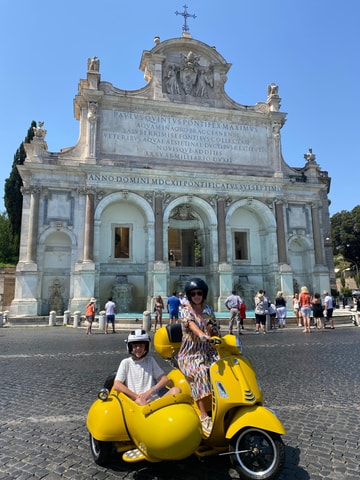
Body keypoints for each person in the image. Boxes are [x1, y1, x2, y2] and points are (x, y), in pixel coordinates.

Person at [177, 278, 220, 436]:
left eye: (199, 293)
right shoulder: (184, 310)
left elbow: (210, 324)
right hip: (190, 354)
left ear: (204, 294)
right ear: (189, 295)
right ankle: (203, 416)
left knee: (226, 369)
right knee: (201, 372)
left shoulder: (208, 309)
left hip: (208, 351)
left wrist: (213, 331)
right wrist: (201, 334)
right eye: (193, 293)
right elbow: (190, 324)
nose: (196, 296)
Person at [113, 329, 181, 405]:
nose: (138, 348)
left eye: (141, 346)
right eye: (135, 346)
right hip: (136, 403)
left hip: (153, 400)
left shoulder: (150, 360)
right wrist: (137, 397)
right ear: (130, 347)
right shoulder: (126, 362)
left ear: (146, 347)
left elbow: (165, 379)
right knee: (140, 402)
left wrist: (150, 392)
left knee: (176, 390)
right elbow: (117, 385)